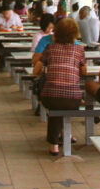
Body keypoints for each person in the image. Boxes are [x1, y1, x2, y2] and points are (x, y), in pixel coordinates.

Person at [34, 18, 86, 155]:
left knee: (56, 101)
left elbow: (35, 70)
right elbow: (84, 72)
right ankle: (64, 136)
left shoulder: (49, 48)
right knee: (64, 100)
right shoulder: (79, 49)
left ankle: (53, 145)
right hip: (73, 98)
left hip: (50, 96)